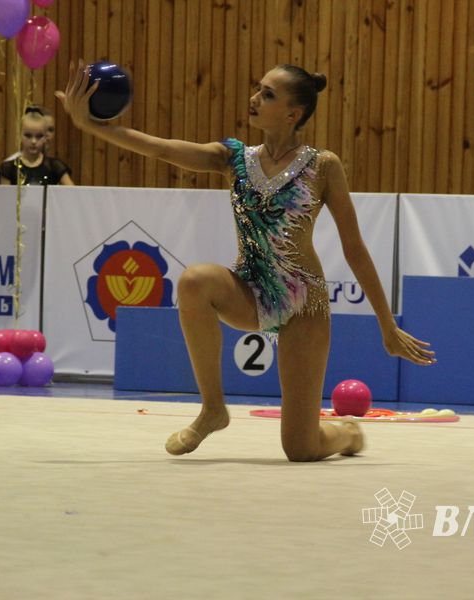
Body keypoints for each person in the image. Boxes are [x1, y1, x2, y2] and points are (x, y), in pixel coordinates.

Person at [56, 60, 436, 462]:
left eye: (268, 94)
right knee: (194, 281)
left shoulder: (323, 166)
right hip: (250, 290)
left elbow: (354, 248)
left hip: (303, 304)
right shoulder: (234, 158)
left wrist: (387, 324)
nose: (254, 98)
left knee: (301, 449)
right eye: (258, 88)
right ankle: (213, 409)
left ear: (292, 114)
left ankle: (345, 434)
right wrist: (90, 126)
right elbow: (162, 148)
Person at [0, 108, 73, 185]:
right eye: (28, 135)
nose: (33, 141)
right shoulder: (9, 168)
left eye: (39, 136)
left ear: (45, 137)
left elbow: (73, 193)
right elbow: (4, 196)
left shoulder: (55, 166)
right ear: (19, 135)